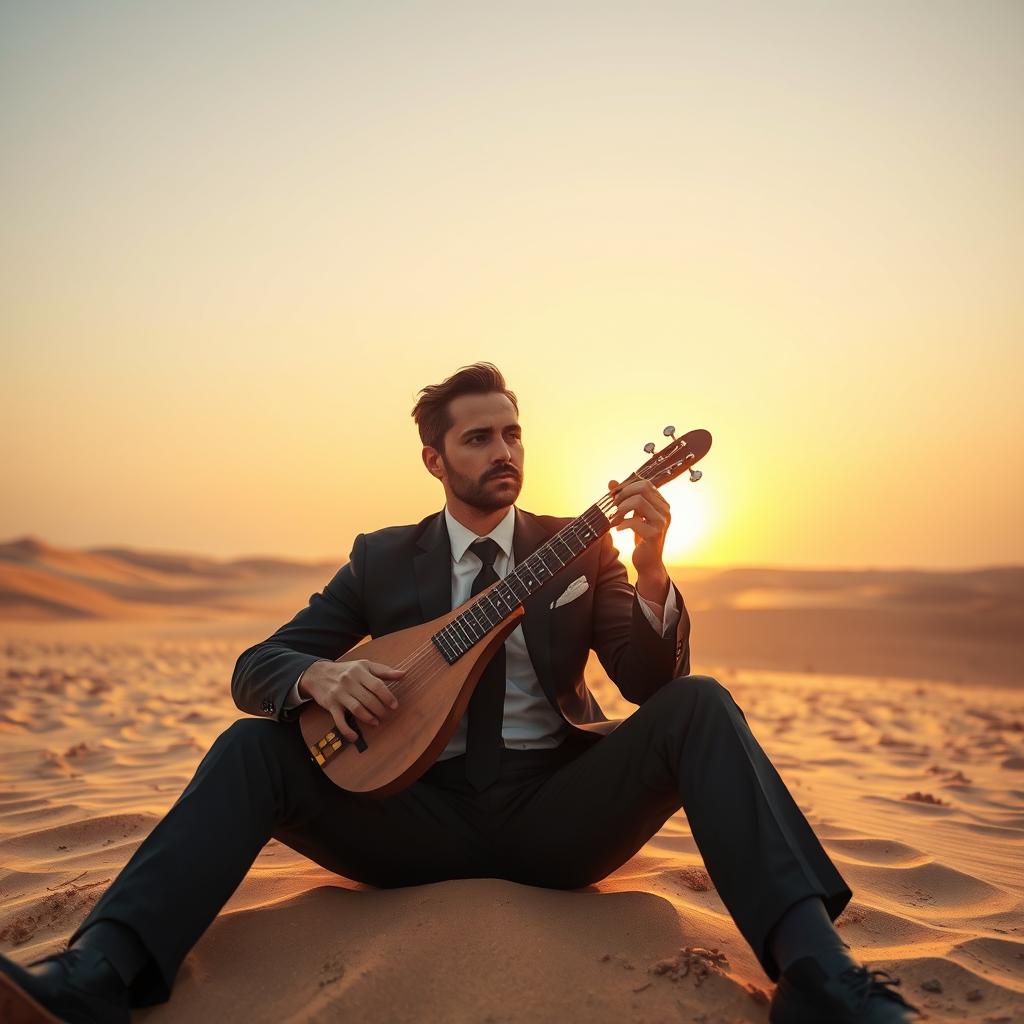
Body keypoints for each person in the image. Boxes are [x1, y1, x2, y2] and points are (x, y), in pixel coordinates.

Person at [0, 363, 919, 1023]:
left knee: (705, 703)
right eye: (478, 437)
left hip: (556, 815)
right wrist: (316, 673)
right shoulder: (381, 559)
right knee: (251, 750)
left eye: (513, 432)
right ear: (436, 461)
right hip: (412, 820)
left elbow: (648, 684)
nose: (502, 450)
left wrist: (647, 567)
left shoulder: (578, 544)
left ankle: (816, 973)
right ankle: (103, 969)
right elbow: (257, 666)